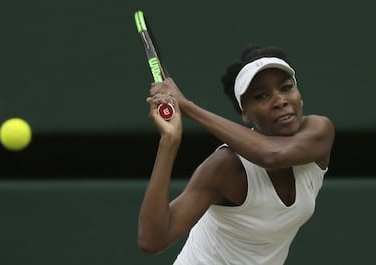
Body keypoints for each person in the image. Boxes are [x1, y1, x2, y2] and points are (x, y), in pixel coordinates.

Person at [138, 44, 335, 265]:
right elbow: (152, 240)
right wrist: (169, 141)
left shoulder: (319, 131)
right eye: (261, 96)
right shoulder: (226, 166)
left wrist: (187, 107)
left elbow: (272, 154)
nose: (280, 100)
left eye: (286, 87)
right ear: (246, 114)